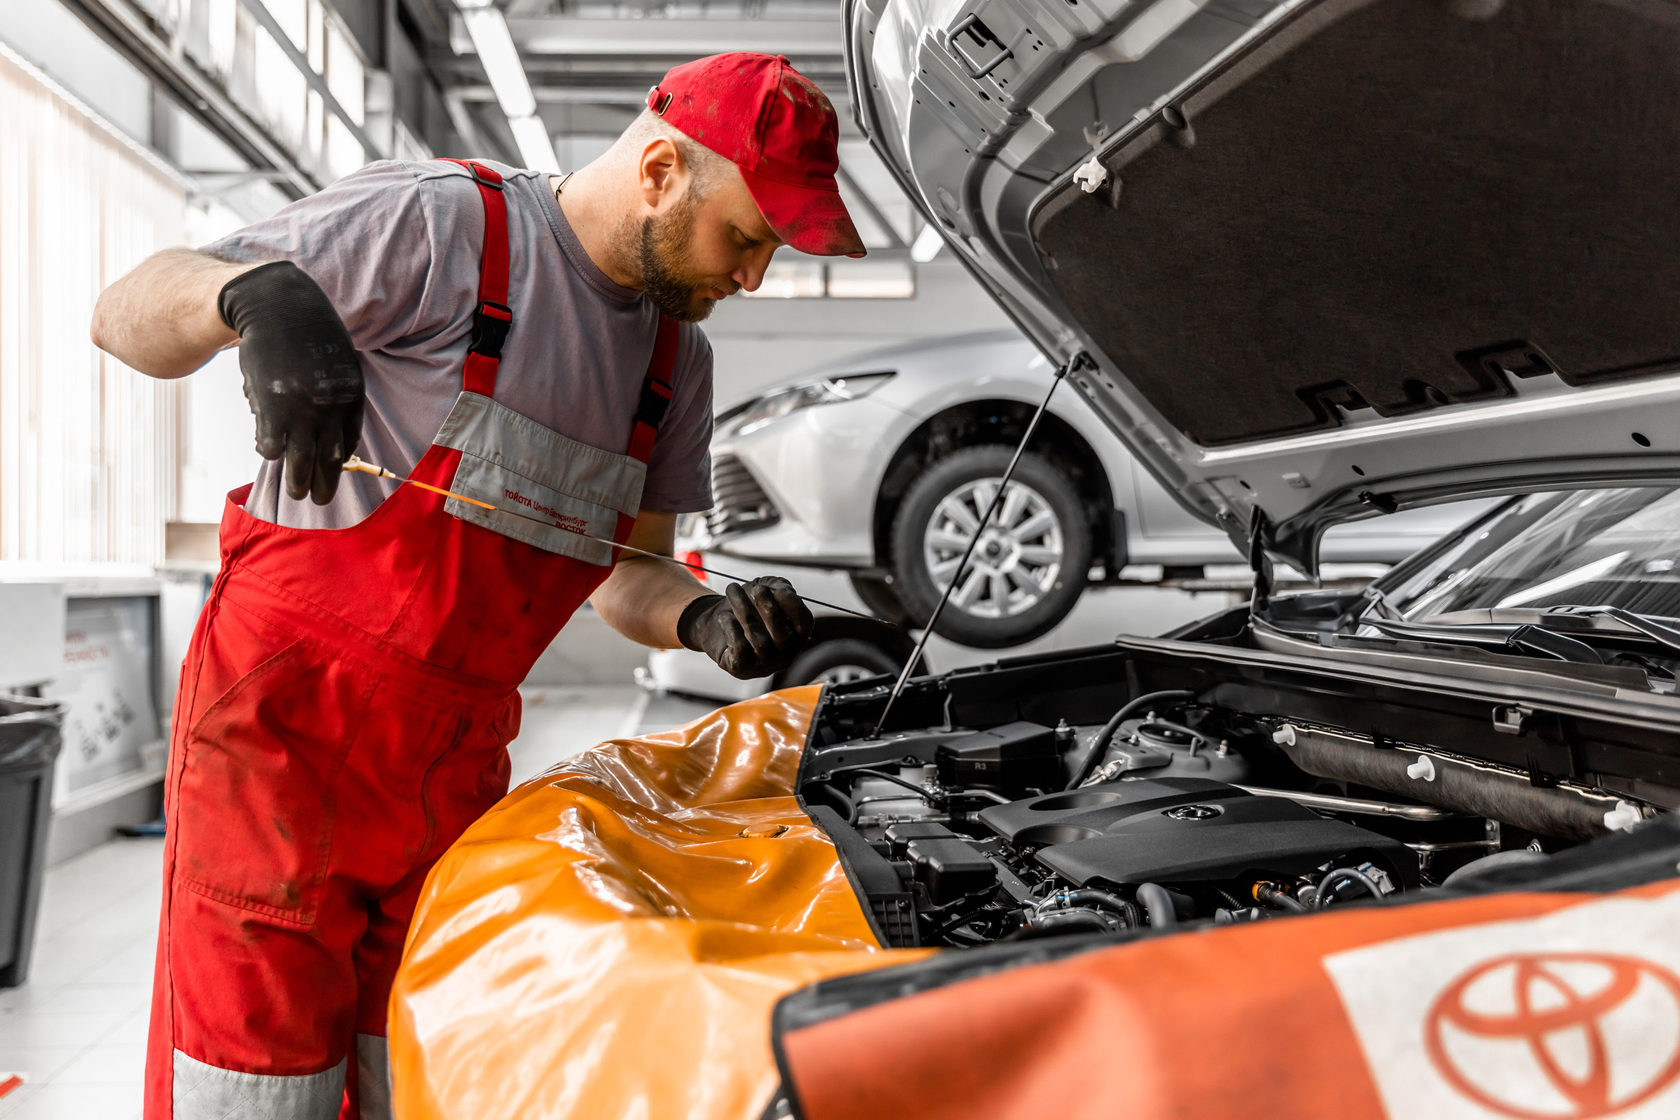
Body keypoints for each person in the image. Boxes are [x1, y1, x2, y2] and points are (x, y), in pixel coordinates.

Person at [90, 51, 862, 1120]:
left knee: (419, 1082)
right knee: (251, 1095)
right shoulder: (443, 228)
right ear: (657, 172)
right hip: (278, 755)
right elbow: (122, 314)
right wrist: (252, 296)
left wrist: (700, 615)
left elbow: (622, 570)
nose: (754, 277)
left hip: (449, 785)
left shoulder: (673, 364)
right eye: (747, 238)